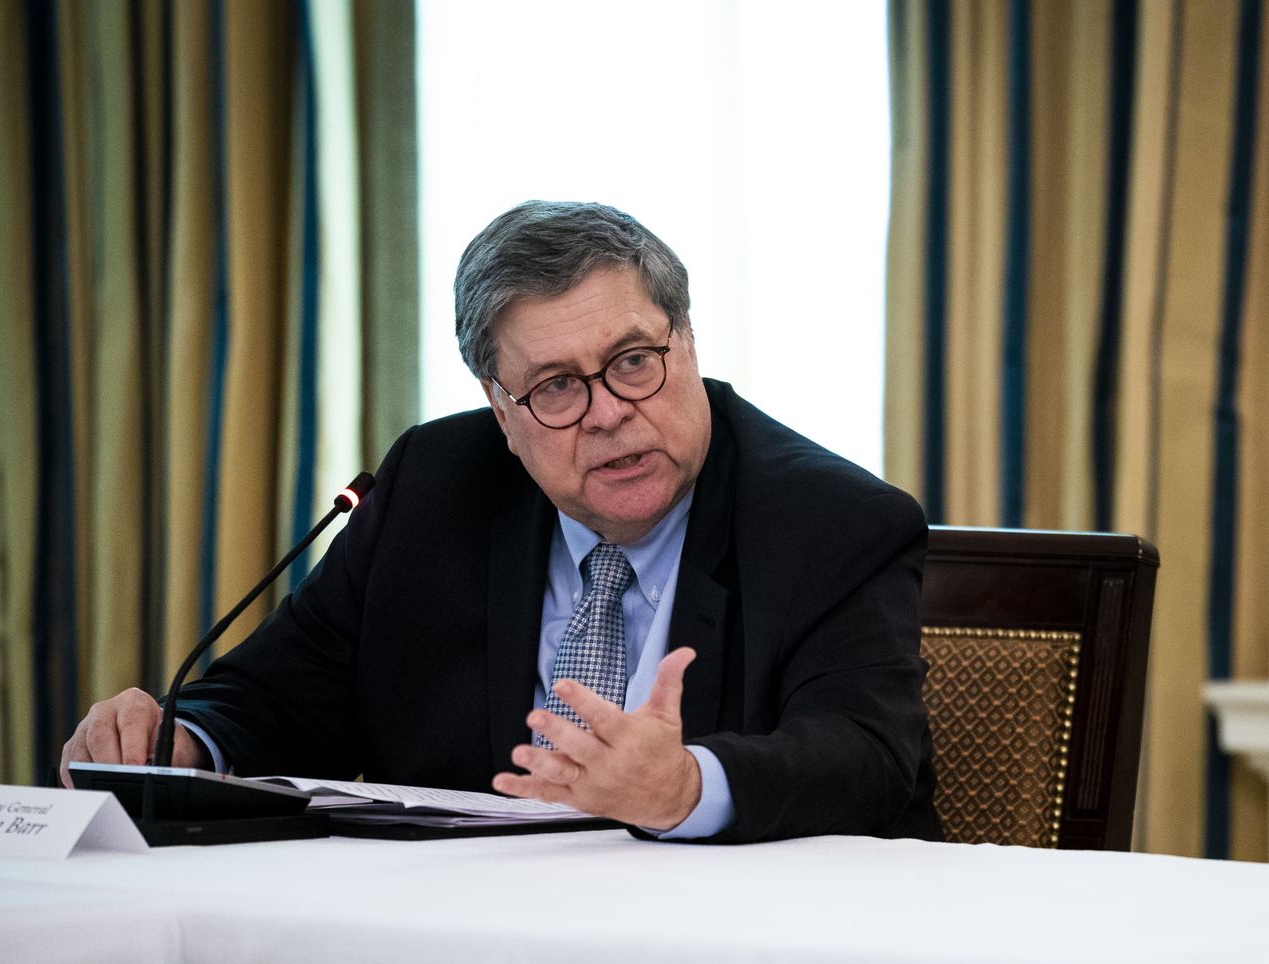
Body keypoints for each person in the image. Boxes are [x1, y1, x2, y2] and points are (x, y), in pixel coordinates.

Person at [59, 200, 941, 843]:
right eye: (555, 386)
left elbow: (864, 758)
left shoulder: (832, 522)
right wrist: (181, 739)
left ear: (689, 343)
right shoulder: (434, 487)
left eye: (634, 361)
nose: (608, 413)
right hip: (465, 936)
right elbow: (284, 691)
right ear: (500, 408)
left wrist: (682, 786)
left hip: (734, 945)